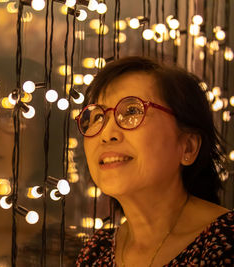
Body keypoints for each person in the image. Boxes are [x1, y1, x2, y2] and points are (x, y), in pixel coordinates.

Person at [75, 57, 233, 266]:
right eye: (96, 117)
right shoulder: (96, 252)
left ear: (188, 147)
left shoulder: (224, 242)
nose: (106, 134)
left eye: (132, 111)